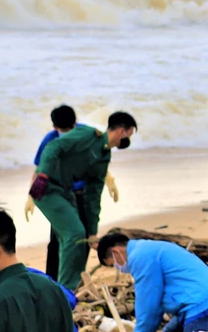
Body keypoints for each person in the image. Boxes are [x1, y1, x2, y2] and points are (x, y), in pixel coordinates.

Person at [29, 112, 138, 291]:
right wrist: (43, 175)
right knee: (74, 233)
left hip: (66, 192)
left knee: (79, 239)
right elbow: (53, 147)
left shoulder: (104, 157)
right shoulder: (87, 134)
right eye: (130, 133)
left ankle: (67, 287)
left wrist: (93, 232)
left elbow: (93, 196)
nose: (129, 139)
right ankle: (66, 290)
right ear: (121, 131)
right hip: (46, 188)